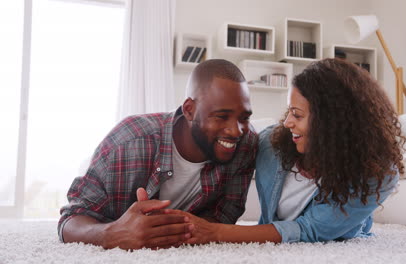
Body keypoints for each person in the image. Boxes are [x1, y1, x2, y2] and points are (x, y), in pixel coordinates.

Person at [164, 58, 404, 244]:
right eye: (289, 111)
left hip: (338, 239)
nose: (287, 122)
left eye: (297, 115)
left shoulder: (378, 174)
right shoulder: (271, 143)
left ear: (332, 123)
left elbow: (311, 229)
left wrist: (216, 233)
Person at [58, 59, 258, 250]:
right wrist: (111, 233)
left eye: (244, 118)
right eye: (222, 116)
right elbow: (71, 220)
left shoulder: (246, 145)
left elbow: (224, 214)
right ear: (189, 110)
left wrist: (176, 230)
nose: (236, 130)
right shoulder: (129, 140)